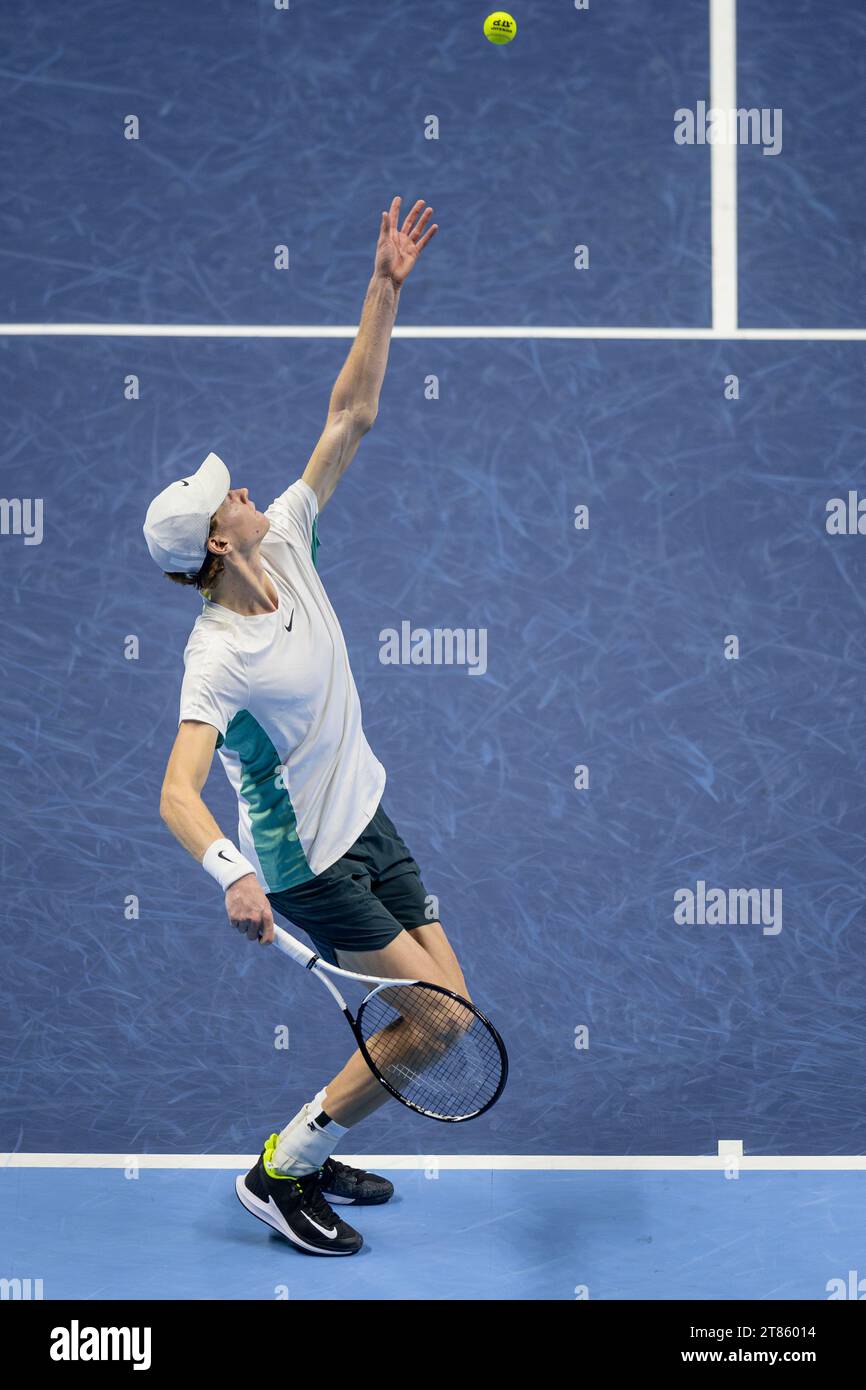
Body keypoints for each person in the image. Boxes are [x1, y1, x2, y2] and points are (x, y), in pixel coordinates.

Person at [144, 197, 469, 1257]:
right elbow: (176, 792)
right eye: (222, 499)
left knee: (443, 1011)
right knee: (435, 1025)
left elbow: (350, 415)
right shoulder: (215, 656)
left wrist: (382, 287)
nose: (240, 489)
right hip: (310, 865)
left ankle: (314, 1142)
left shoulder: (281, 538)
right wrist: (230, 871)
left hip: (366, 814)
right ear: (213, 547)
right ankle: (280, 1167)